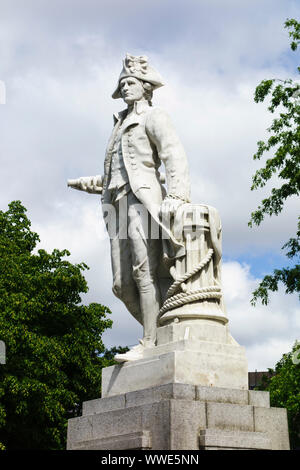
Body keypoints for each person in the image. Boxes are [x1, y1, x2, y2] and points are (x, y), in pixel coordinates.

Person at [68, 54, 190, 361]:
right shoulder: (118, 124)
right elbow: (114, 174)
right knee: (121, 285)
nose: (125, 88)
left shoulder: (154, 117)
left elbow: (173, 155)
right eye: (122, 84)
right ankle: (162, 332)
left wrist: (176, 195)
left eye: (131, 82)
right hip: (115, 205)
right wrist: (83, 183)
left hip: (142, 201)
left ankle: (149, 342)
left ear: (146, 87)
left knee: (143, 270)